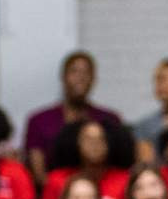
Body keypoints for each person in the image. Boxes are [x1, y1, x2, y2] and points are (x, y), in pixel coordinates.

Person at [22, 51, 122, 180]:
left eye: (86, 72)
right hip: (54, 192)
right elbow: (38, 173)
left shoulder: (110, 119)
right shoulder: (39, 120)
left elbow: (119, 166)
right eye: (74, 71)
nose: (80, 77)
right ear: (63, 77)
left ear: (94, 79)